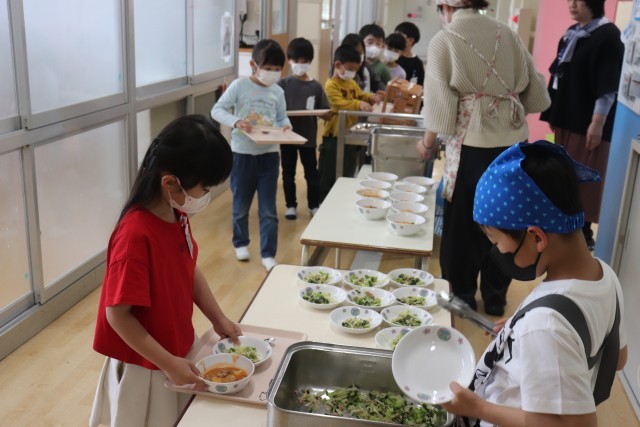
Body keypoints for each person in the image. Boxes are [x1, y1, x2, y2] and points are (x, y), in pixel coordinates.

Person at [442, 140, 627, 427]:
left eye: (496, 242)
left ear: (537, 237)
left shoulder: (545, 325)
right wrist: (523, 334)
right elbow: (618, 359)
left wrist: (479, 408)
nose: (497, 252)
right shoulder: (605, 276)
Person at [90, 115, 243, 427]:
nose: (206, 195)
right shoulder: (135, 235)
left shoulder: (176, 213)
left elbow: (188, 269)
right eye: (205, 188)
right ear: (170, 182)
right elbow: (117, 315)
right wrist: (168, 363)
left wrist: (218, 318)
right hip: (145, 366)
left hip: (175, 352)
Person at [417, 0, 550, 316]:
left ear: (446, 6)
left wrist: (426, 143)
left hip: (471, 146)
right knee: (506, 221)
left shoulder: (445, 39)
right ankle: (495, 297)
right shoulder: (508, 33)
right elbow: (536, 95)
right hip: (514, 146)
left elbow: (439, 107)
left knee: (463, 226)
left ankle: (461, 296)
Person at [539, 0, 624, 251]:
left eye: (579, 0)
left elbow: (608, 87)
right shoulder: (573, 33)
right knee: (565, 176)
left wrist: (597, 123)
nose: (572, 4)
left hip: (588, 124)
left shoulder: (608, 35)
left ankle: (582, 234)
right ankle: (565, 228)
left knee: (585, 179)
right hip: (567, 118)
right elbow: (559, 77)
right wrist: (553, 112)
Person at [211, 39, 291, 272]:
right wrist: (237, 121)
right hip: (243, 155)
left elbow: (281, 117)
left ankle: (268, 253)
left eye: (277, 69)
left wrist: (286, 125)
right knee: (241, 205)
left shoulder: (278, 91)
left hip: (269, 155)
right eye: (268, 68)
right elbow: (217, 110)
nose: (272, 73)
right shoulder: (239, 86)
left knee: (268, 210)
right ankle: (240, 242)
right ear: (253, 65)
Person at [318, 44, 382, 202]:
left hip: (350, 134)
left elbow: (360, 95)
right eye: (350, 69)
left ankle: (342, 197)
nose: (352, 72)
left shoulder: (351, 83)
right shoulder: (331, 85)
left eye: (355, 70)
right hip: (333, 136)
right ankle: (324, 201)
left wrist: (370, 97)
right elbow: (338, 104)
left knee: (347, 169)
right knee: (328, 171)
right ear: (338, 65)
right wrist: (358, 104)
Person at [278, 38, 330, 220]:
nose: (300, 64)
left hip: (308, 137)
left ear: (310, 61)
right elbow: (275, 109)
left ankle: (314, 205)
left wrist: (327, 114)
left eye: (304, 61)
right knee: (288, 174)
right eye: (296, 60)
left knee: (311, 173)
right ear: (289, 60)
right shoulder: (282, 84)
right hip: (287, 137)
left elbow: (324, 110)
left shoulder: (315, 86)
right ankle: (291, 206)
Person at [395, 21, 425, 86]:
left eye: (399, 36)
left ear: (411, 41)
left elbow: (420, 85)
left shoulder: (417, 63)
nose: (396, 39)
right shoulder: (393, 57)